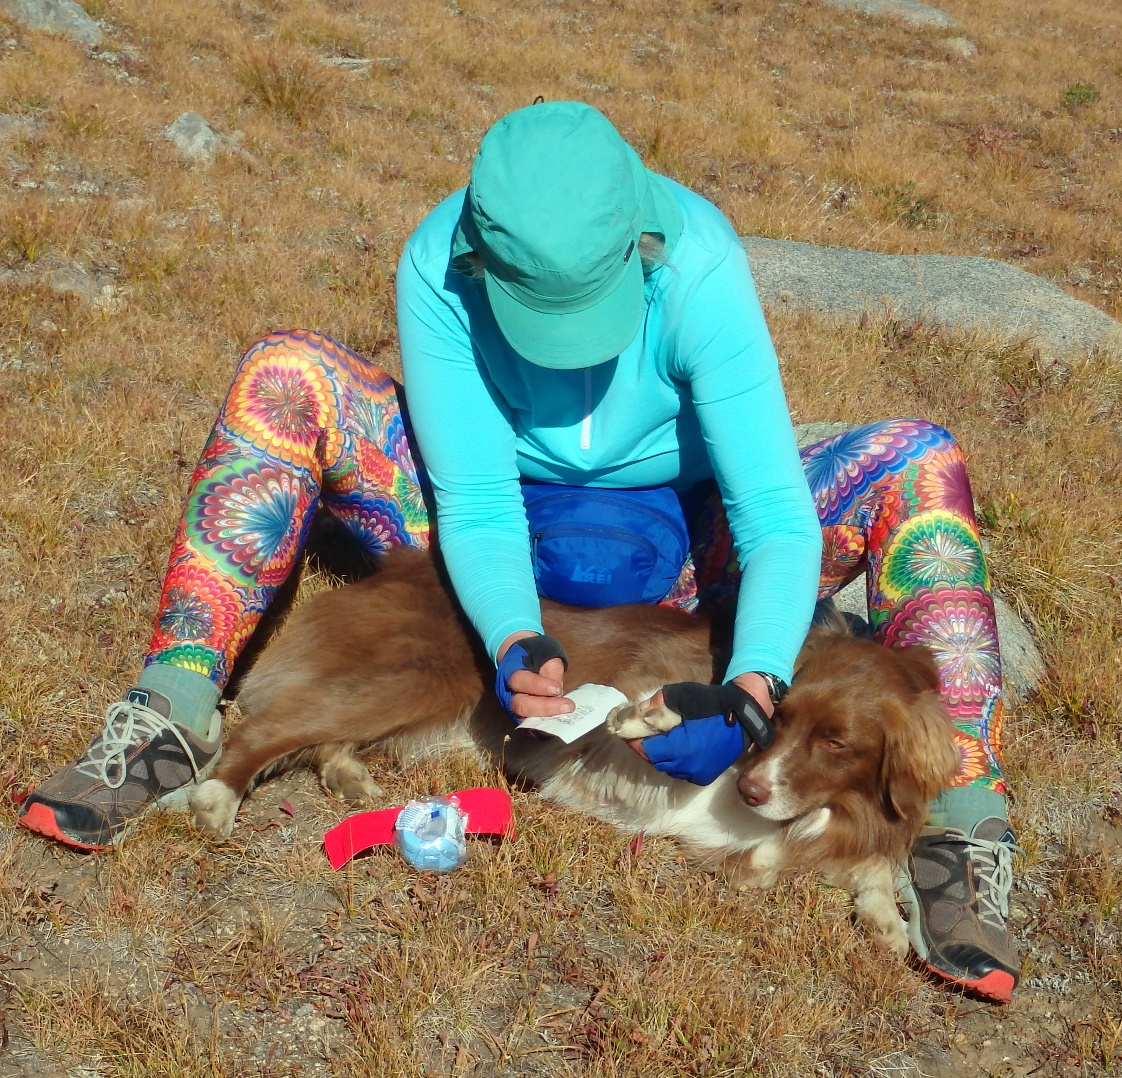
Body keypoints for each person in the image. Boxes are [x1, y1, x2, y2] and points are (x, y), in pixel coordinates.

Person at [19, 101, 1020, 1003]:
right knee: (285, 372)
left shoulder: (702, 260)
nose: (573, 351)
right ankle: (173, 705)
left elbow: (774, 513)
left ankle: (960, 816)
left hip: (677, 545)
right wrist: (508, 637)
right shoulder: (433, 263)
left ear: (642, 241)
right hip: (471, 523)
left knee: (920, 461)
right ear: (478, 260)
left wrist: (754, 686)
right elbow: (481, 505)